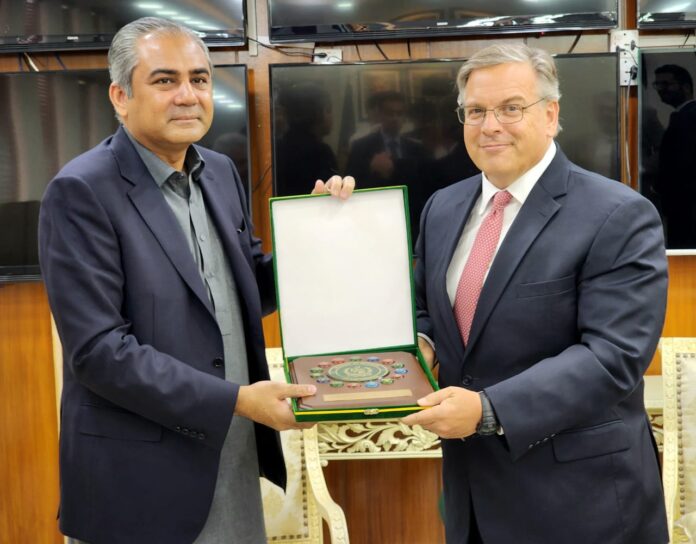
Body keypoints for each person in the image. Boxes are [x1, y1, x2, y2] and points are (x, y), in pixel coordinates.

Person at [38, 17, 354, 544]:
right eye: (165, 80)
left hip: (230, 458)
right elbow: (98, 352)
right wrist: (236, 401)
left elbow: (249, 291)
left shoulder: (220, 172)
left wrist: (314, 235)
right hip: (137, 480)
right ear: (120, 96)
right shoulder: (81, 191)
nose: (188, 95)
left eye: (200, 79)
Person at [401, 43, 668, 544]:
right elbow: (424, 310)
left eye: (510, 108)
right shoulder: (441, 208)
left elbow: (612, 356)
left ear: (550, 115)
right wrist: (423, 344)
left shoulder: (618, 214)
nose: (490, 126)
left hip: (582, 505)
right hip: (471, 501)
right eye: (475, 111)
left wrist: (488, 410)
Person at [653, 64, 696, 248]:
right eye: (657, 84)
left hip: (685, 203)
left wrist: (659, 186)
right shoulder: (682, 115)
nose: (660, 89)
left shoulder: (689, 117)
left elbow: (681, 163)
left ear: (685, 87)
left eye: (666, 84)